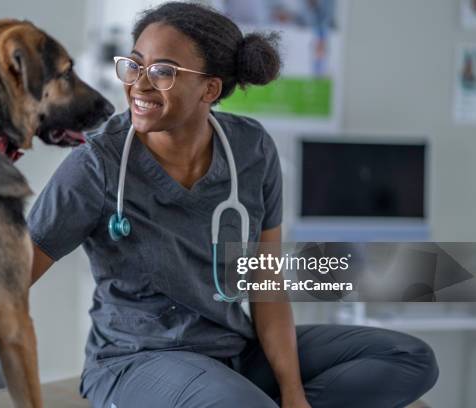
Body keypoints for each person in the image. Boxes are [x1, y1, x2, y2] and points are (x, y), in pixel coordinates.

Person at [27, 2, 438, 407]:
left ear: (211, 88)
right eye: (134, 65)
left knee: (409, 358)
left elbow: (267, 283)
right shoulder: (97, 165)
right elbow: (12, 274)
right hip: (138, 358)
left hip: (232, 349)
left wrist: (293, 394)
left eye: (163, 72)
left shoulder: (251, 149)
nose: (139, 84)